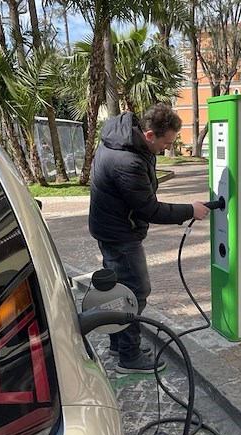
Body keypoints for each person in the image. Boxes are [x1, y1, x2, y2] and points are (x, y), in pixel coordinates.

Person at [89, 103, 210, 374]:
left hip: (109, 228)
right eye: (166, 142)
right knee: (135, 292)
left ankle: (119, 344)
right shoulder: (127, 161)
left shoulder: (121, 141)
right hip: (120, 234)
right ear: (149, 135)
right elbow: (149, 209)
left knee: (117, 289)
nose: (168, 148)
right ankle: (129, 358)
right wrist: (191, 210)